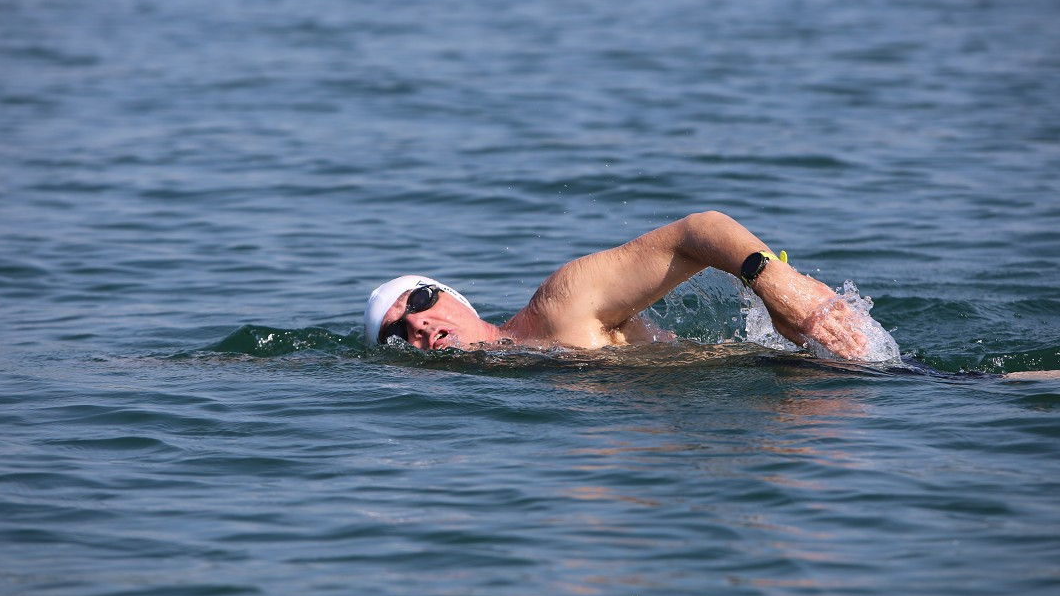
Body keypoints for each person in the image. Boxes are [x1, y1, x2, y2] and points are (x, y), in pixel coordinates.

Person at [364, 211, 877, 360]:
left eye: (421, 300)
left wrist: (778, 285)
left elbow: (696, 233)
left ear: (453, 295)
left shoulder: (558, 309)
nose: (418, 323)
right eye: (397, 333)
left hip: (811, 384)